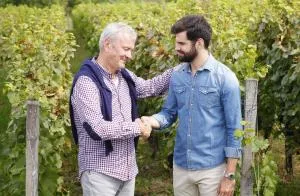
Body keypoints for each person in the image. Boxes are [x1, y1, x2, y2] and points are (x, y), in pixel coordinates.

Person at [142, 15, 242, 196]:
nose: (176, 48)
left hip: (212, 169)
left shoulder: (225, 78)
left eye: (181, 44)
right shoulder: (178, 75)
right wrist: (151, 120)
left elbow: (234, 129)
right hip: (181, 166)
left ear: (199, 43)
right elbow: (168, 113)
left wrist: (229, 175)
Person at [69, 22, 173, 196]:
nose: (130, 55)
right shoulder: (86, 83)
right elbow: (97, 128)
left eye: (131, 50)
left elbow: (149, 88)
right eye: (126, 49)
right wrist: (137, 127)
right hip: (100, 173)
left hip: (128, 171)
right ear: (107, 45)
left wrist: (180, 70)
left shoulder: (124, 76)